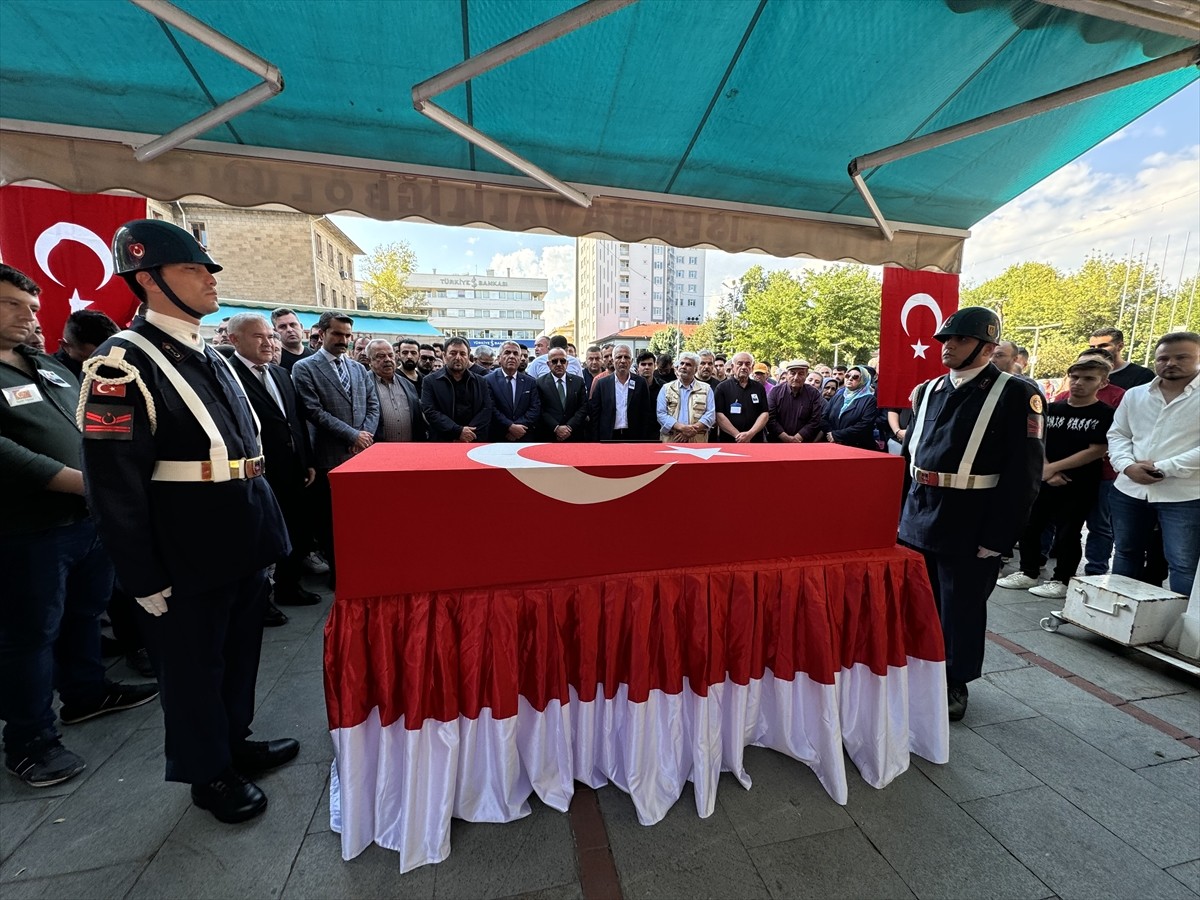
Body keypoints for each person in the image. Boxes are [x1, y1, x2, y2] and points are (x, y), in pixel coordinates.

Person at [79, 221, 296, 822]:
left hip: (240, 532)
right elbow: (112, 480)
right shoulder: (119, 363)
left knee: (239, 653)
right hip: (185, 545)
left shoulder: (210, 353)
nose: (209, 279)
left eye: (208, 269)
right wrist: (141, 575)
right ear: (148, 279)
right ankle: (207, 773)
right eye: (192, 269)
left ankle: (233, 742)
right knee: (193, 667)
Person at [1, 265, 157, 788]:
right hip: (28, 529)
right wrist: (77, 481)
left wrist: (122, 468)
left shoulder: (48, 367)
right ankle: (29, 741)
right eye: (11, 305)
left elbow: (94, 419)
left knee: (84, 613)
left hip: (88, 520)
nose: (28, 317)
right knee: (30, 635)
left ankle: (87, 693)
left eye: (32, 308)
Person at [898, 307, 1043, 722]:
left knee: (961, 607)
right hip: (919, 512)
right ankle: (918, 668)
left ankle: (954, 680)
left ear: (987, 346)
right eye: (946, 339)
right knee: (918, 602)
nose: (948, 347)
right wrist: (897, 515)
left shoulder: (1016, 394)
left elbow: (1024, 474)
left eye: (960, 339)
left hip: (970, 517)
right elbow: (909, 456)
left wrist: (998, 537)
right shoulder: (927, 390)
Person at [226, 313, 321, 611]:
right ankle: (259, 602)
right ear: (234, 340)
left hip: (292, 468)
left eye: (270, 336)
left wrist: (306, 460)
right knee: (259, 537)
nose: (268, 342)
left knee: (294, 530)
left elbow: (295, 421)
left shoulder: (280, 374)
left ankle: (288, 588)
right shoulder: (227, 376)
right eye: (259, 336)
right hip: (255, 471)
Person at [998, 357, 1114, 598]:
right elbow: (1036, 440)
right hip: (1043, 479)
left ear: (1103, 383)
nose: (1079, 383)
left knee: (1068, 532)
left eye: (1088, 378)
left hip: (1078, 483)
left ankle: (1062, 579)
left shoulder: (1105, 413)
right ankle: (1028, 571)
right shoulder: (1051, 408)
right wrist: (1045, 468)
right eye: (1075, 377)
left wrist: (1053, 468)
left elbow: (1097, 449)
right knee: (1031, 525)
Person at [1107, 332, 1200, 596]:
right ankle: (1119, 613)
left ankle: (1183, 622)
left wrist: (1163, 467)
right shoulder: (1135, 395)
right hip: (1129, 490)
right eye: (1163, 358)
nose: (1171, 363)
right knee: (1126, 553)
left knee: (1183, 563)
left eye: (1181, 357)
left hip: (1184, 495)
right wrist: (1127, 466)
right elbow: (1118, 435)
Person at [292, 312, 379, 584]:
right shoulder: (305, 368)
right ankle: (340, 576)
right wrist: (352, 435)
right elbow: (313, 411)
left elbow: (373, 405)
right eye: (338, 334)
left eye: (347, 335)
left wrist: (364, 437)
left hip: (360, 457)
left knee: (361, 520)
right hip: (328, 457)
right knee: (331, 522)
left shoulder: (358, 369)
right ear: (322, 333)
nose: (344, 340)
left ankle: (363, 568)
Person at [419, 335, 492, 442]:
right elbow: (430, 411)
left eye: (462, 354)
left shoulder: (480, 381)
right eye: (453, 353)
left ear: (468, 356)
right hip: (443, 440)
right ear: (444, 355)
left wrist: (468, 433)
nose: (458, 357)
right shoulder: (430, 381)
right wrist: (457, 431)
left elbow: (486, 409)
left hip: (474, 440)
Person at [589, 343, 655, 441]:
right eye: (619, 357)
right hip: (609, 436)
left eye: (626, 357)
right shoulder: (602, 384)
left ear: (631, 361)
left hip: (634, 437)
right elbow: (595, 415)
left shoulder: (640, 383)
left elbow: (646, 413)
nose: (623, 360)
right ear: (613, 360)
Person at [367, 339, 425, 443]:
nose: (387, 359)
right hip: (376, 448)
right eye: (381, 356)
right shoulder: (363, 383)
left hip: (409, 448)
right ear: (369, 361)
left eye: (390, 355)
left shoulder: (408, 385)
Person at [486, 340, 541, 442]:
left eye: (515, 354)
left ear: (520, 359)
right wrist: (510, 427)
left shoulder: (530, 382)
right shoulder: (488, 380)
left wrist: (518, 428)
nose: (511, 356)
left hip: (523, 435)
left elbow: (535, 408)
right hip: (498, 437)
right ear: (499, 358)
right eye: (507, 353)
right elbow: (490, 408)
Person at [656, 351, 714, 443]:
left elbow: (710, 415)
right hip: (672, 440)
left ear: (695, 369)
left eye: (688, 364)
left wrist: (691, 431)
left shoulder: (706, 389)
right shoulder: (666, 388)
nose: (683, 366)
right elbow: (661, 414)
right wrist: (682, 428)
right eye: (682, 363)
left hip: (697, 441)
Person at [715, 352, 769, 443]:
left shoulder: (759, 388)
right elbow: (719, 415)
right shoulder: (722, 388)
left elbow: (764, 414)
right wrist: (738, 436)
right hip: (730, 441)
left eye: (747, 364)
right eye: (740, 364)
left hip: (755, 440)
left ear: (752, 368)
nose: (744, 367)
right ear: (733, 367)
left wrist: (750, 434)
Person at [536, 347, 589, 441]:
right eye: (554, 361)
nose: (559, 364)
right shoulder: (539, 383)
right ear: (548, 364)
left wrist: (569, 427)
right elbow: (539, 409)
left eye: (562, 361)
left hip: (574, 435)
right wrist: (556, 427)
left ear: (567, 363)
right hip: (549, 435)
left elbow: (583, 407)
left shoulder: (578, 381)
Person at [821, 365, 879, 450]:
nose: (850, 379)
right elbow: (823, 418)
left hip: (858, 447)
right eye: (848, 375)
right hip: (833, 444)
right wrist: (831, 434)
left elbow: (865, 424)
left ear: (864, 380)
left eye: (855, 377)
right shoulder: (838, 397)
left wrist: (837, 435)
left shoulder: (870, 400)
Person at [768, 360, 824, 444]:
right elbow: (770, 418)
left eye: (801, 374)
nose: (796, 377)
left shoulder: (814, 394)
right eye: (792, 373)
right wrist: (785, 437)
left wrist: (797, 438)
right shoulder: (775, 392)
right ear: (787, 374)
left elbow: (815, 420)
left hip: (803, 443)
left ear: (806, 375)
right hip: (777, 442)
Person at [54, 309, 119, 379]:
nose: (99, 363)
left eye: (106, 355)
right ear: (65, 346)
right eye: (89, 357)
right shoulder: (52, 377)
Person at [1088, 328, 1154, 390]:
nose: (1096, 350)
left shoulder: (1142, 375)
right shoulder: (1085, 373)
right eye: (1092, 347)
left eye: (1103, 346)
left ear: (1120, 346)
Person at [270, 308, 314, 372]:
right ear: (275, 331)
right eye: (283, 326)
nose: (289, 330)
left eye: (293, 325)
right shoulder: (274, 359)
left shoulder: (315, 356)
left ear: (301, 327)